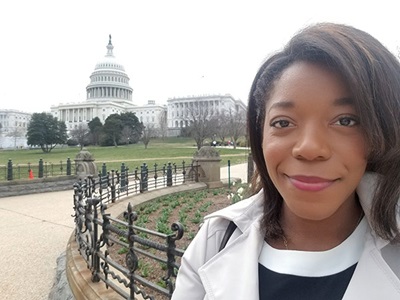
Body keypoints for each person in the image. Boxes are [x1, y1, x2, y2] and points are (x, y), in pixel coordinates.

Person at [171, 23, 400, 299]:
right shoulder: (216, 241)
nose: (309, 148)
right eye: (283, 122)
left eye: (345, 120)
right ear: (261, 133)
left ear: (381, 133)